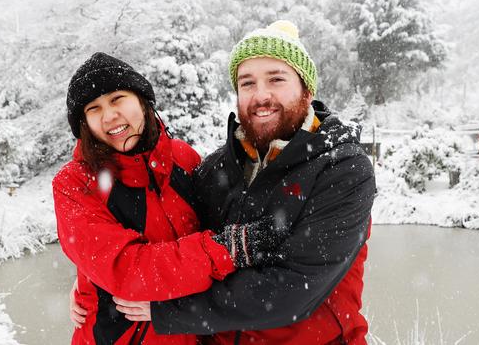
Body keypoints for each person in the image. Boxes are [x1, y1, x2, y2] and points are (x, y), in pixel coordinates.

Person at [111, 20, 377, 345]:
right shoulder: (216, 168)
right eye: (247, 83)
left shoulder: (342, 169)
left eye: (276, 79)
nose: (261, 95)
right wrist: (88, 285)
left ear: (307, 90)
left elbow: (292, 291)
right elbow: (166, 239)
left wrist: (168, 311)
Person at [53, 52, 286, 345]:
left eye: (117, 99)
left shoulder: (182, 158)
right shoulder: (74, 184)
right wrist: (227, 249)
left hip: (194, 331)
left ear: (142, 101)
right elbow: (127, 271)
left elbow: (220, 224)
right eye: (94, 108)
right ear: (84, 123)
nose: (109, 115)